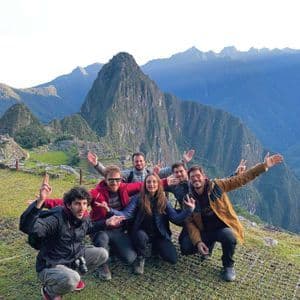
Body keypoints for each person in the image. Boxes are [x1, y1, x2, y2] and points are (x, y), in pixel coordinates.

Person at [19, 175, 123, 300]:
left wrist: (106, 222)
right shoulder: (56, 219)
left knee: (102, 253)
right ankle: (49, 292)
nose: (82, 208)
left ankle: (73, 275)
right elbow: (29, 228)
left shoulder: (83, 217)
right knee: (72, 279)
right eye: (77, 204)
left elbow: (89, 228)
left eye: (85, 203)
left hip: (71, 257)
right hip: (50, 264)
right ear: (68, 205)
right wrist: (40, 201)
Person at [184, 153, 283, 282]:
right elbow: (190, 223)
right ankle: (208, 246)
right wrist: (198, 242)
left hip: (221, 229)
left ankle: (228, 265)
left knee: (229, 236)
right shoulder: (189, 197)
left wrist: (264, 166)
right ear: (189, 180)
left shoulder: (217, 186)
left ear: (204, 177)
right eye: (192, 177)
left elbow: (242, 179)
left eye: (198, 176)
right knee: (186, 247)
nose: (196, 179)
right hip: (205, 231)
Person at [109, 173, 195, 275]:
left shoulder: (163, 200)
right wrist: (109, 210)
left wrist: (189, 210)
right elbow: (126, 214)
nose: (151, 184)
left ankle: (155, 248)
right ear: (145, 184)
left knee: (172, 259)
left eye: (154, 182)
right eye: (148, 182)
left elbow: (175, 217)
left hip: (159, 234)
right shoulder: (138, 198)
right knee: (140, 236)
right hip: (142, 233)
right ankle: (141, 258)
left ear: (158, 184)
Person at [165, 159, 247, 255]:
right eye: (176, 172)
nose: (179, 174)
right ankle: (200, 240)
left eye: (181, 171)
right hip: (190, 217)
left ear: (186, 173)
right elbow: (156, 186)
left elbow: (220, 185)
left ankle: (210, 243)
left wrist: (236, 174)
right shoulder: (173, 185)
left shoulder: (198, 183)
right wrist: (164, 182)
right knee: (185, 248)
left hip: (203, 218)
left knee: (225, 234)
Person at [87, 149, 195, 183]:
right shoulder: (128, 174)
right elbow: (109, 173)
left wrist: (183, 161)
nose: (139, 163)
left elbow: (170, 170)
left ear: (144, 162)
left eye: (140, 161)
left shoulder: (151, 173)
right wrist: (96, 164)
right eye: (136, 161)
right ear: (133, 163)